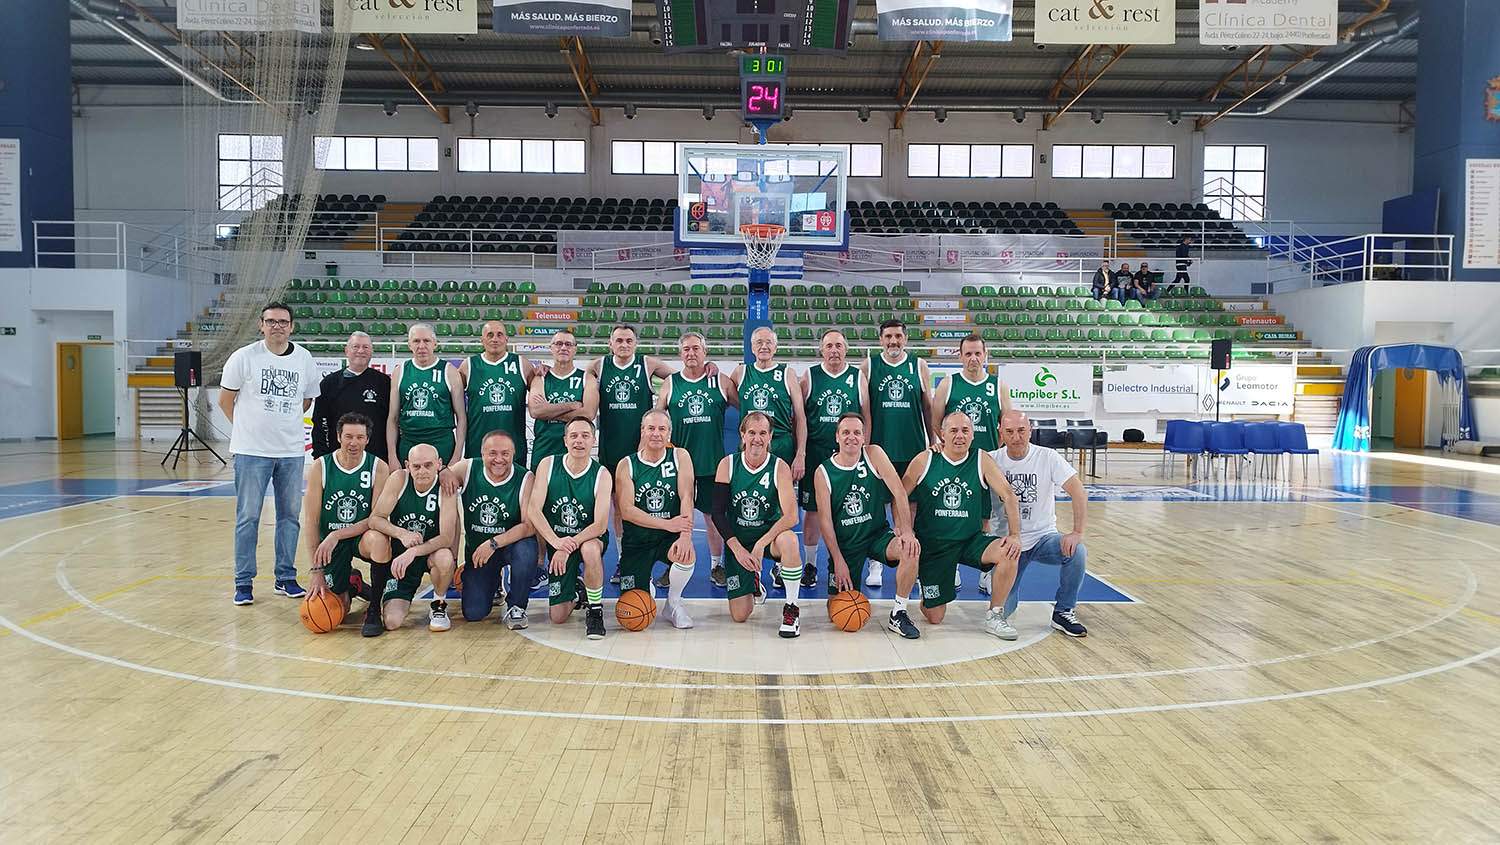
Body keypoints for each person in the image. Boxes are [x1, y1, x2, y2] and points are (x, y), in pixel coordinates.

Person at [218, 301, 322, 606]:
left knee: (290, 517)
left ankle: (285, 577)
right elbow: (226, 401)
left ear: (291, 326)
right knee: (248, 517)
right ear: (261, 325)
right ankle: (243, 581)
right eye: (271, 321)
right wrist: (248, 431)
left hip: (290, 452)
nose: (277, 326)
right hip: (251, 453)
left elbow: (306, 400)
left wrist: (280, 425)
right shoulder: (244, 357)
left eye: (283, 321)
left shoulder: (303, 358)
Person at [903, 411, 1022, 639]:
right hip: (934, 547)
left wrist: (1015, 534)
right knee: (935, 617)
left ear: (973, 434)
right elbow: (900, 495)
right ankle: (928, 592)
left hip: (970, 540)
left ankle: (995, 615)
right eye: (954, 431)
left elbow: (1008, 494)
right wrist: (905, 530)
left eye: (965, 430)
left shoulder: (981, 458)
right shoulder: (925, 459)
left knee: (1009, 551)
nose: (960, 436)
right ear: (942, 435)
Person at [587, 324, 681, 586]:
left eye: (629, 340)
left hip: (644, 448)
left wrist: (708, 368)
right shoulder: (599, 366)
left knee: (653, 502)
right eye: (619, 340)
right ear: (610, 343)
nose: (624, 344)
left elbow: (679, 378)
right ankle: (623, 558)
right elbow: (575, 380)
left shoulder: (647, 364)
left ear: (636, 344)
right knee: (620, 508)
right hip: (611, 448)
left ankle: (661, 558)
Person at [813, 414, 921, 638]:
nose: (851, 437)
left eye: (856, 433)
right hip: (846, 546)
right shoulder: (823, 472)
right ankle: (843, 582)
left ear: (863, 437)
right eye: (845, 432)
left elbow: (899, 492)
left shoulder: (873, 454)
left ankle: (898, 613)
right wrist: (838, 560)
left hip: (877, 535)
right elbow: (825, 522)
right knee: (837, 613)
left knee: (910, 549)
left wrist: (907, 531)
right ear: (837, 437)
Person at [993, 411, 1090, 637]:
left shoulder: (1047, 457)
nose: (1016, 437)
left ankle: (1064, 611)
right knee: (1003, 611)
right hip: (1008, 546)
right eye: (1009, 431)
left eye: (1021, 430)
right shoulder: (991, 459)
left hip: (1042, 538)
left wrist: (1076, 532)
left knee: (1077, 551)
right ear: (1001, 433)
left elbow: (1079, 492)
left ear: (1030, 430)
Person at [730, 327, 809, 589]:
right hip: (751, 446)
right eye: (758, 342)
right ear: (751, 347)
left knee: (783, 508)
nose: (763, 346)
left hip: (781, 447)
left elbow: (800, 416)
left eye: (768, 342)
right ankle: (748, 561)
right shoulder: (741, 372)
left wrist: (800, 453)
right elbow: (725, 394)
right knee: (750, 504)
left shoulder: (787, 374)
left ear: (776, 347)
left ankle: (778, 565)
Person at [659, 331, 739, 589]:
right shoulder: (671, 383)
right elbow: (656, 419)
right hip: (679, 465)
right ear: (680, 354)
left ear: (705, 351)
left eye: (696, 348)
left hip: (711, 463)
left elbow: (748, 410)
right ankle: (672, 566)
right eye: (686, 349)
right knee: (674, 518)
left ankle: (717, 565)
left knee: (713, 517)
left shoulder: (721, 382)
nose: (691, 353)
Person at [712, 411, 803, 636]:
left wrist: (761, 544)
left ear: (770, 437)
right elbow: (717, 514)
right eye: (752, 432)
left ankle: (791, 609)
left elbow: (792, 517)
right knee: (740, 615)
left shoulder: (779, 467)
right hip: (739, 541)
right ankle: (754, 582)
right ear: (742, 435)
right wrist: (738, 550)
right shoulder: (728, 464)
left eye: (763, 433)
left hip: (769, 537)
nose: (757, 438)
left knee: (790, 540)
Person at [862, 318, 934, 589]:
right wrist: (865, 447)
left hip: (912, 448)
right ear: (880, 339)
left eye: (898, 336)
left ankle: (909, 558)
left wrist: (933, 440)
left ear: (906, 338)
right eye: (888, 336)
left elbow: (927, 408)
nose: (893, 341)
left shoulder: (919, 365)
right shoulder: (869, 366)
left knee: (910, 507)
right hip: (880, 449)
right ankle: (877, 560)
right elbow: (864, 410)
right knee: (878, 506)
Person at [526, 418, 612, 639]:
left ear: (593, 440)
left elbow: (600, 524)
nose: (579, 441)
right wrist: (556, 543)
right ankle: (577, 590)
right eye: (573, 436)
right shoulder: (548, 465)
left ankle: (595, 610)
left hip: (588, 537)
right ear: (565, 440)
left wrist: (567, 547)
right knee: (558, 616)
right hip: (558, 539)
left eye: (585, 435)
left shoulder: (601, 474)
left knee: (590, 550)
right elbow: (534, 510)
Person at [799, 329, 870, 592]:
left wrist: (866, 448)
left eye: (839, 345)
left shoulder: (856, 377)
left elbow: (867, 415)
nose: (834, 350)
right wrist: (802, 452)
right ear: (821, 349)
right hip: (818, 453)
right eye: (829, 345)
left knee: (852, 510)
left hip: (851, 454)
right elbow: (801, 418)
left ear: (846, 349)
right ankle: (810, 564)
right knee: (814, 512)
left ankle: (844, 560)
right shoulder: (810, 376)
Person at [302, 412, 389, 621]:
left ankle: (375, 606)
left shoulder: (379, 467)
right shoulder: (320, 467)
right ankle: (352, 584)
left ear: (367, 439)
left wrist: (337, 535)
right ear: (339, 436)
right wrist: (316, 572)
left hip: (361, 537)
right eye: (349, 436)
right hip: (330, 545)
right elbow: (311, 522)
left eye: (360, 437)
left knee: (379, 539)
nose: (354, 443)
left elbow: (374, 519)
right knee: (336, 612)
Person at [364, 443, 458, 635]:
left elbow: (447, 538)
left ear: (439, 464)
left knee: (444, 557)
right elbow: (375, 519)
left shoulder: (445, 486)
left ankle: (439, 604)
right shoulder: (399, 479)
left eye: (428, 465)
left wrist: (414, 550)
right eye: (416, 466)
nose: (422, 471)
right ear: (407, 465)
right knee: (391, 622)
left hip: (430, 553)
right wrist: (402, 534)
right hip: (402, 562)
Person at [614, 409, 697, 629]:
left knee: (686, 554)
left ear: (669, 432)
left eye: (662, 429)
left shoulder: (680, 456)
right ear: (642, 431)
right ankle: (644, 585)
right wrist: (667, 523)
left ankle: (673, 604)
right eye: (651, 428)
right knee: (633, 615)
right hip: (637, 542)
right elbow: (627, 509)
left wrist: (685, 535)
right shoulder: (627, 464)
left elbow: (687, 496)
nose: (656, 434)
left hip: (667, 539)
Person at [450, 430, 538, 629]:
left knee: (526, 549)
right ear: (481, 454)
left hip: (509, 546)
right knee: (474, 613)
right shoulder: (466, 468)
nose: (499, 459)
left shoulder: (525, 478)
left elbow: (529, 526)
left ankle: (517, 605)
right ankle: (492, 584)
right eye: (492, 453)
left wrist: (493, 543)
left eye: (505, 454)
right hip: (478, 553)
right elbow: (443, 478)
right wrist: (444, 472)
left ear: (513, 454)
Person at [387, 323, 465, 470]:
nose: (421, 346)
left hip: (441, 443)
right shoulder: (400, 372)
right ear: (409, 344)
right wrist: (392, 456)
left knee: (444, 491)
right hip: (409, 443)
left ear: (435, 344)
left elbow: (461, 417)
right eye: (416, 341)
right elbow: (392, 419)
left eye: (426, 341)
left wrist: (457, 455)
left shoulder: (449, 371)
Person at [459, 321, 535, 471]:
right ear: (482, 340)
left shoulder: (522, 364)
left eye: (500, 334)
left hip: (513, 447)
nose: (495, 339)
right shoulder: (468, 366)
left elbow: (542, 393)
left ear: (506, 339)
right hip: (477, 446)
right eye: (490, 335)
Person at [310, 331, 390, 463]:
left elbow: (391, 422)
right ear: (346, 350)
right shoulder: (329, 383)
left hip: (376, 458)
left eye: (365, 347)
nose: (361, 351)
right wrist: (321, 455)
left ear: (371, 351)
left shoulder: (384, 383)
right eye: (356, 346)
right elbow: (320, 422)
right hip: (338, 459)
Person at [527, 329, 599, 471]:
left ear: (575, 349)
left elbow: (588, 414)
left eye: (568, 344)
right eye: (559, 344)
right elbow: (536, 411)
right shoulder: (540, 377)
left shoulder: (587, 378)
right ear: (551, 348)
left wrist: (548, 410)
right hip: (543, 451)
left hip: (575, 453)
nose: (563, 348)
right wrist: (571, 405)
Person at [932, 333, 1012, 454]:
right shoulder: (947, 384)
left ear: (985, 355)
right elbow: (936, 423)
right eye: (968, 354)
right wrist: (951, 445)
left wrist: (994, 447)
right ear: (961, 356)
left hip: (989, 456)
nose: (973, 358)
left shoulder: (1000, 386)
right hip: (956, 457)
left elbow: (1007, 427)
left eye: (978, 354)